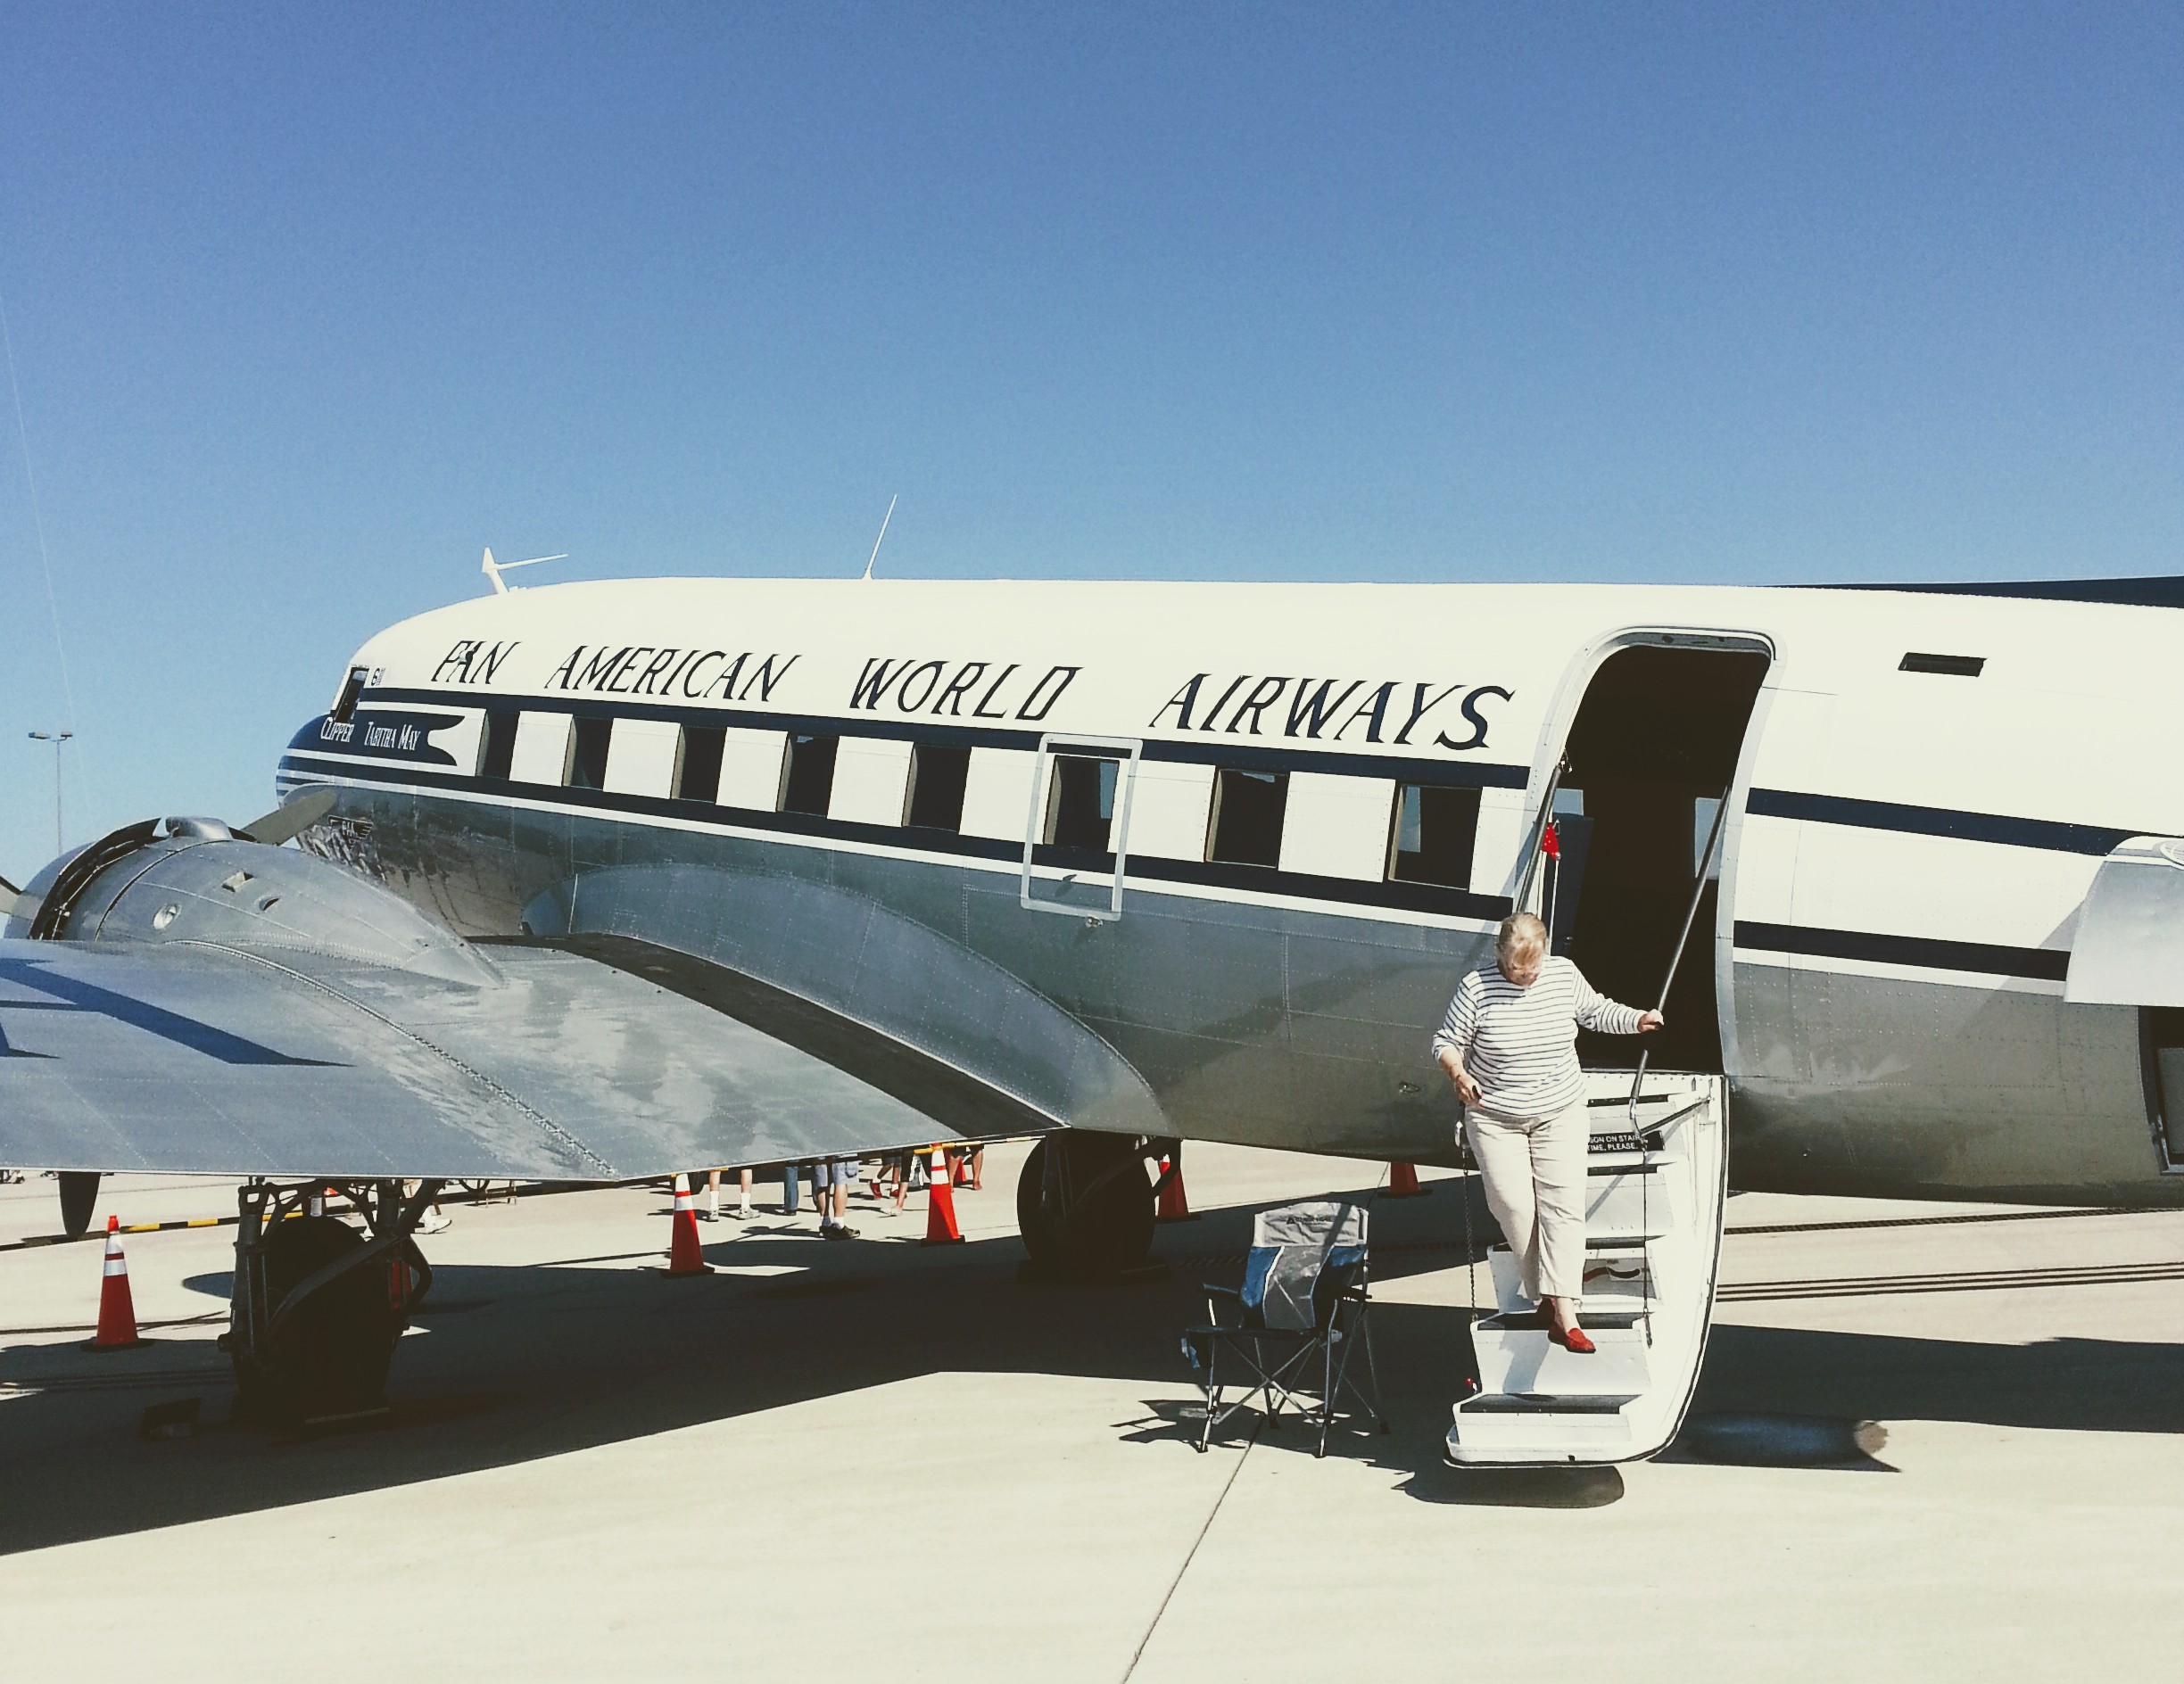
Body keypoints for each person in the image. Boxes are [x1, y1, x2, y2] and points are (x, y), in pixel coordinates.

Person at [1430, 912, 1662, 1353]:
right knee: (1514, 1207)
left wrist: (1637, 1020)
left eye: (1533, 966)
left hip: (1560, 1109)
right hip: (1495, 1116)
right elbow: (1445, 1040)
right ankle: (1546, 1297)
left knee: (1564, 1207)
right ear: (1501, 956)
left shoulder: (1562, 974)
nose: (1527, 975)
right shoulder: (1476, 988)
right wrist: (1457, 1072)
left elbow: (1595, 1011)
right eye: (1518, 968)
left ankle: (1566, 1314)